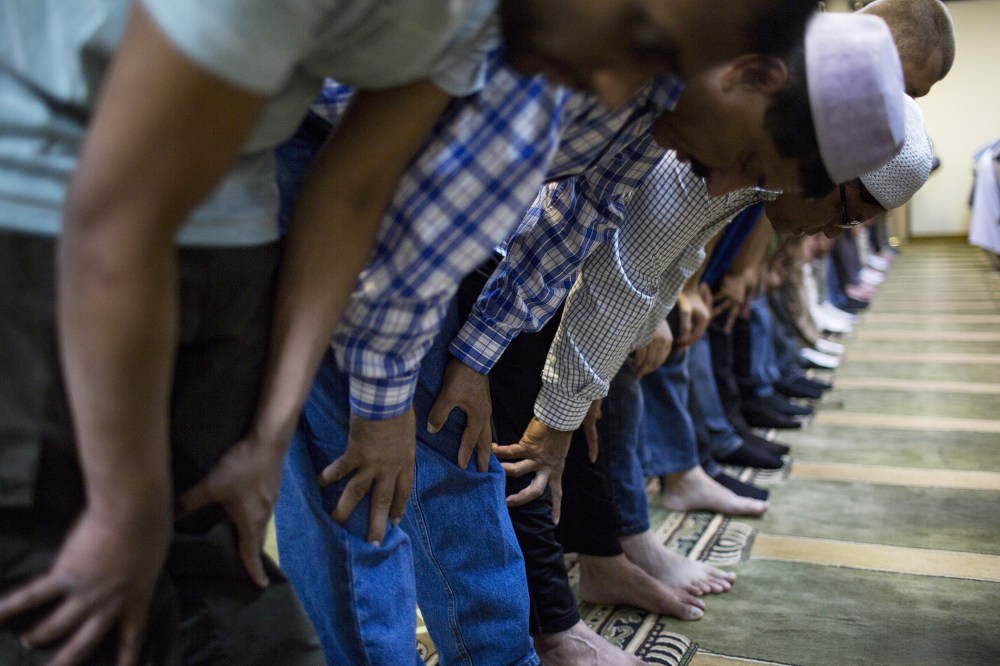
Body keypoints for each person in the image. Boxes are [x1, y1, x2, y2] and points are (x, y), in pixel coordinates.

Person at [2, 0, 793, 663]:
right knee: (72, 549)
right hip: (48, 171)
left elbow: (350, 195)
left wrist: (271, 434)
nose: (621, 89)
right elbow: (113, 211)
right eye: (643, 46)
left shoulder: (493, 31)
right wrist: (123, 503)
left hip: (235, 174)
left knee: (226, 527)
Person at [430, 13, 907, 662]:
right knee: (480, 443)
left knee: (557, 406)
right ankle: (555, 616)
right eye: (847, 212)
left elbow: (601, 233)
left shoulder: (670, 113)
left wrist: (522, 365)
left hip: (475, 252)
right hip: (419, 237)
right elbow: (613, 265)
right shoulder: (638, 87)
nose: (721, 181)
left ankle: (593, 570)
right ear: (754, 72)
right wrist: (510, 374)